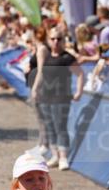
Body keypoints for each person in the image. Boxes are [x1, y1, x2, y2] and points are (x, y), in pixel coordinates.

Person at [30, 25, 84, 171]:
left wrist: (79, 91)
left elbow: (80, 74)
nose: (55, 42)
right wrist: (36, 89)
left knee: (61, 127)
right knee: (49, 127)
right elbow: (41, 72)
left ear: (63, 40)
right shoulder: (46, 56)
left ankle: (63, 157)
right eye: (52, 39)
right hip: (46, 97)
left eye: (58, 39)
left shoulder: (67, 57)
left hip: (62, 97)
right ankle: (54, 155)